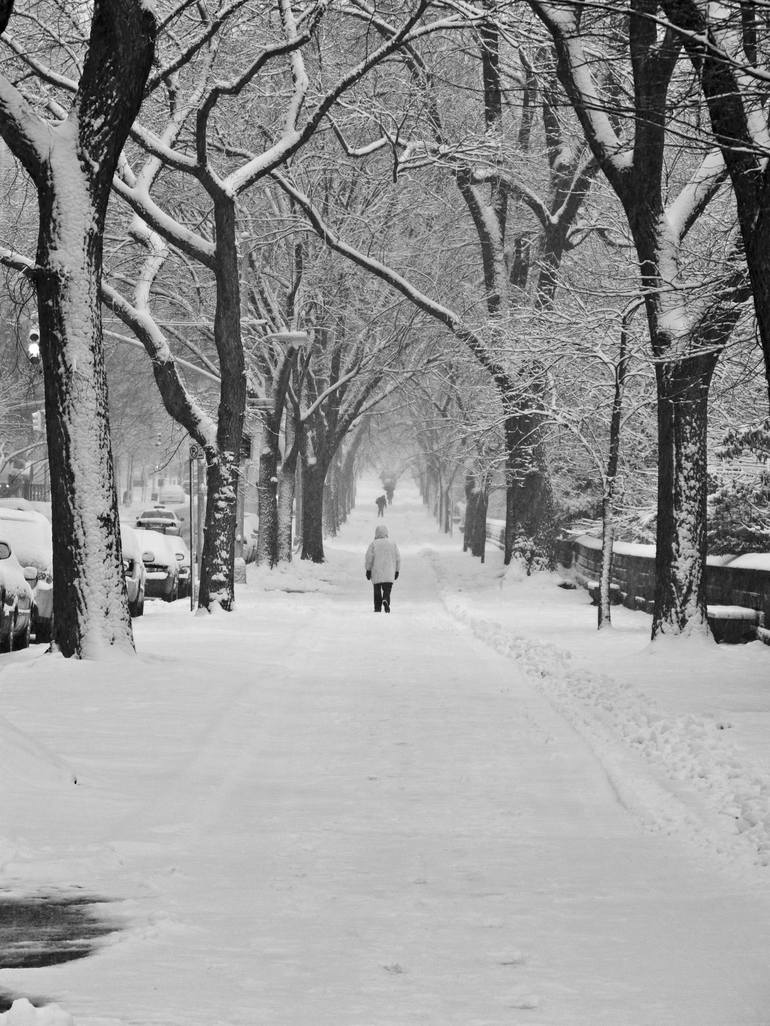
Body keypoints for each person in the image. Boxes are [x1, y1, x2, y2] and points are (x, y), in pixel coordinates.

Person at [365, 524, 400, 613]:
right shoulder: (392, 544)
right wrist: (397, 570)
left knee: (377, 590)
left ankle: (377, 607)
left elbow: (369, 557)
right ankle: (385, 599)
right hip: (389, 572)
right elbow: (398, 558)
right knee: (387, 590)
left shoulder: (373, 544)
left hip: (377, 572)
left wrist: (368, 570)